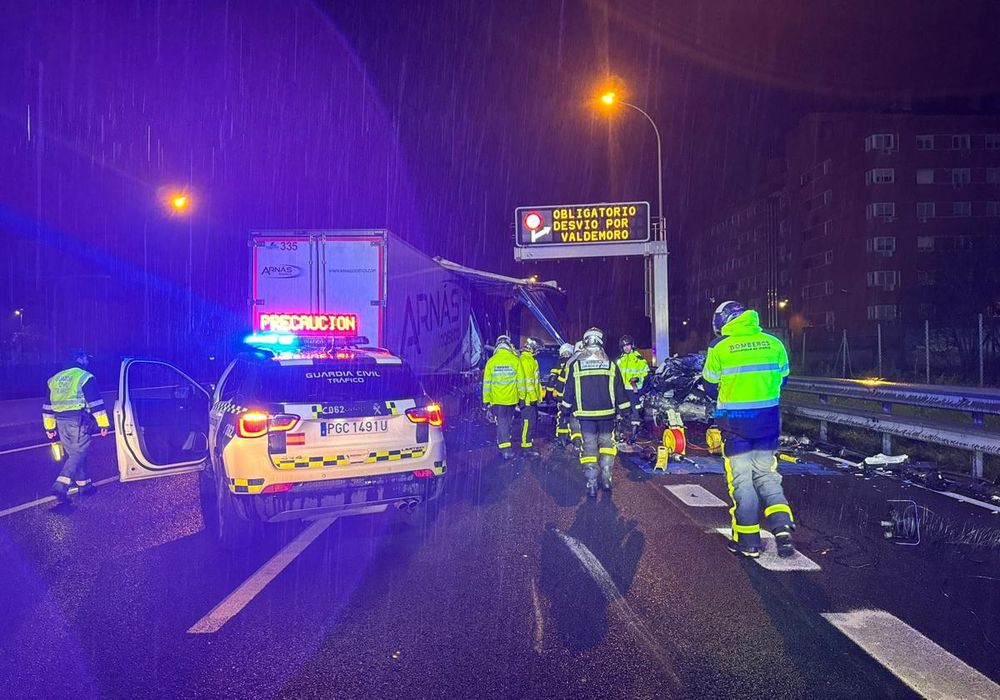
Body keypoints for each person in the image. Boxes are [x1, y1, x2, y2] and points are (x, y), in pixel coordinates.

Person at [701, 301, 796, 558]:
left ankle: (748, 542)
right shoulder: (773, 343)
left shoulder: (719, 347)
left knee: (742, 481)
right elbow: (783, 379)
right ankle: (782, 526)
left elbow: (709, 387)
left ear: (722, 322)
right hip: (768, 421)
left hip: (735, 423)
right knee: (767, 475)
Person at [560, 328, 630, 497]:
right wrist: (626, 412)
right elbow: (620, 391)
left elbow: (568, 392)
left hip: (586, 418)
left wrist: (564, 411)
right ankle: (606, 478)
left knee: (589, 449)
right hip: (607, 416)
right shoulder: (610, 365)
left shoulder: (576, 366)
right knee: (607, 446)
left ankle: (591, 483)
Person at [42, 348, 110, 502]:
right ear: (80, 359)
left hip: (61, 422)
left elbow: (47, 406)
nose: (88, 361)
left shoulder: (54, 379)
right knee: (79, 453)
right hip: (78, 421)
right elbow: (96, 403)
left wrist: (49, 428)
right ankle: (61, 484)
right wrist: (103, 424)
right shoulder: (84, 377)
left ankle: (84, 486)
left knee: (76, 454)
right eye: (86, 358)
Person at [482, 335, 525, 460]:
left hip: (497, 400)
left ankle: (504, 448)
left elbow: (487, 384)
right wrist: (521, 398)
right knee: (507, 422)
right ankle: (505, 448)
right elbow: (521, 382)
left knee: (502, 423)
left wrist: (486, 401)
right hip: (511, 399)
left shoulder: (492, 361)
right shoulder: (515, 360)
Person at [615, 334, 649, 444]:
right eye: (624, 346)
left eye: (628, 345)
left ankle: (633, 435)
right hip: (621, 390)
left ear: (632, 345)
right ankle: (619, 433)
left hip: (633, 390)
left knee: (635, 412)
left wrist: (637, 378)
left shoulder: (639, 359)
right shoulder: (619, 360)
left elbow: (646, 374)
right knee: (620, 411)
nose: (626, 348)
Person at [518, 337, 542, 454]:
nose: (538, 352)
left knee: (531, 423)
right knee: (528, 423)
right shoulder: (526, 361)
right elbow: (528, 382)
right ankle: (526, 448)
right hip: (528, 400)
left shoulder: (530, 360)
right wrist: (533, 398)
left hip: (530, 399)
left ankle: (529, 445)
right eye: (537, 349)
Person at [551, 343, 574, 446]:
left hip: (561, 395)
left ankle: (561, 438)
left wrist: (550, 392)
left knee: (562, 415)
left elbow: (553, 378)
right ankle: (571, 436)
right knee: (572, 416)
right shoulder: (574, 363)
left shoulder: (558, 363)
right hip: (572, 395)